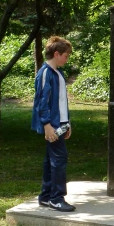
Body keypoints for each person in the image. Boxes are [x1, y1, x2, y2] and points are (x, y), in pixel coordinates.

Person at [31, 36, 76, 212]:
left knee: (51, 159)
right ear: (56, 54)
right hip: (51, 125)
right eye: (66, 55)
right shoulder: (45, 73)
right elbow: (42, 101)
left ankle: (45, 196)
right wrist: (47, 125)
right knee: (59, 158)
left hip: (59, 123)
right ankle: (56, 198)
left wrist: (67, 123)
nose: (67, 59)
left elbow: (61, 102)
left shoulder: (58, 73)